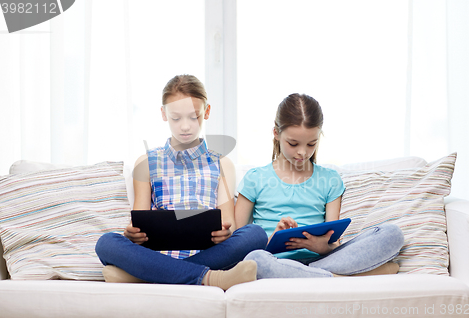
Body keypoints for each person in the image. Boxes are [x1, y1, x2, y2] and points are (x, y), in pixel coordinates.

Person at [95, 74, 267, 290]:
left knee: (255, 234)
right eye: (176, 118)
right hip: (157, 253)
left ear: (207, 111)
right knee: (106, 243)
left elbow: (228, 225)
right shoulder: (147, 162)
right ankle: (210, 278)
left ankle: (146, 275)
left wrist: (225, 233)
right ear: (163, 114)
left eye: (193, 117)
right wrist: (133, 234)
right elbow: (139, 219)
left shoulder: (222, 162)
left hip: (208, 253)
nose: (185, 126)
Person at [234, 93, 404, 279]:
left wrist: (323, 246)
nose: (302, 152)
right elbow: (236, 246)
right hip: (273, 261)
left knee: (392, 234)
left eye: (311, 144)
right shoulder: (255, 178)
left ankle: (316, 275)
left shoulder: (330, 180)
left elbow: (334, 243)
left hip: (322, 260)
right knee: (255, 260)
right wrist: (270, 241)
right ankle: (335, 278)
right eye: (293, 143)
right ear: (276, 133)